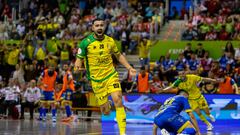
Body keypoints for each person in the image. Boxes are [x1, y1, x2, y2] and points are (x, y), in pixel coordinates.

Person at [74, 18, 136, 135]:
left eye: (101, 25)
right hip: (96, 80)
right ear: (92, 28)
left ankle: (123, 133)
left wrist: (129, 68)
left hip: (110, 75)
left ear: (105, 26)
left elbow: (119, 56)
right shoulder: (85, 42)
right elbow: (79, 59)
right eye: (97, 25)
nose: (99, 27)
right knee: (106, 111)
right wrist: (77, 66)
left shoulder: (110, 41)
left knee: (118, 99)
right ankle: (107, 104)